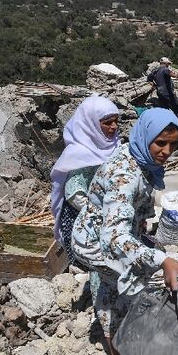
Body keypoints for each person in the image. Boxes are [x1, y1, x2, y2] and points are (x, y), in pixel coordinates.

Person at [71, 108, 178, 355]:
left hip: (104, 231)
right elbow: (114, 238)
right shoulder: (124, 176)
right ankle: (120, 346)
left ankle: (118, 337)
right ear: (146, 137)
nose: (166, 152)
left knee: (112, 283)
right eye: (160, 143)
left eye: (173, 145)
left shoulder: (137, 155)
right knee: (124, 283)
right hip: (96, 241)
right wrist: (163, 260)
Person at [50, 96, 120, 264]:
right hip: (85, 218)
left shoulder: (113, 144)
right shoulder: (79, 153)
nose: (114, 127)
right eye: (107, 123)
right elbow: (74, 193)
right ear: (91, 124)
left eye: (116, 121)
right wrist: (103, 213)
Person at [147, 57, 178, 126]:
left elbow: (148, 79)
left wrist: (155, 86)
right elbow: (172, 74)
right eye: (168, 64)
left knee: (165, 109)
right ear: (165, 63)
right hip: (168, 93)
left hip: (160, 93)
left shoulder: (155, 71)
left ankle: (167, 124)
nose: (168, 65)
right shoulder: (165, 69)